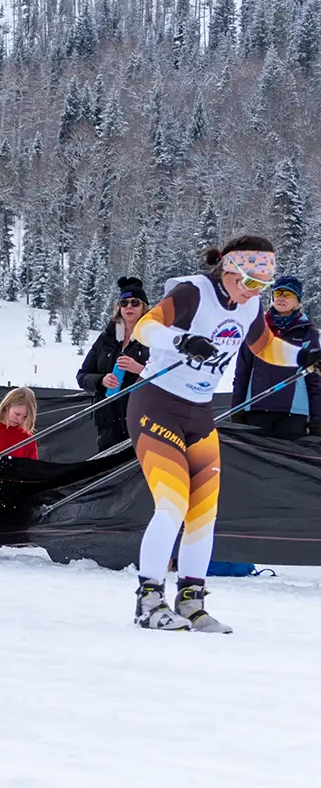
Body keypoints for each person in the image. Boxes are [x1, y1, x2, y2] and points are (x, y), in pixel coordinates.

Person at [125, 236, 318, 632]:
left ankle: (191, 601)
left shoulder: (249, 305)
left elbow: (265, 347)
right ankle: (148, 601)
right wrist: (182, 340)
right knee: (172, 504)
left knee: (204, 512)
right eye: (248, 282)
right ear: (228, 270)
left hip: (199, 413)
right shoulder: (193, 292)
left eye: (261, 285)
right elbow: (145, 329)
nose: (253, 292)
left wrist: (303, 356)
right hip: (156, 404)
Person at [231, 276, 320, 439]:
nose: (281, 297)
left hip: (293, 414)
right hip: (257, 409)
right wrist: (237, 409)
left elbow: (315, 380)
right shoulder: (257, 328)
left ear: (298, 300)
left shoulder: (308, 332)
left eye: (288, 294)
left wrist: (317, 419)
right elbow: (242, 372)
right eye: (278, 293)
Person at [75, 278, 150, 451]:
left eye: (135, 302)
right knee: (107, 473)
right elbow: (82, 376)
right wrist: (101, 381)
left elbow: (168, 379)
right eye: (124, 303)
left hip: (143, 421)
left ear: (144, 307)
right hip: (107, 422)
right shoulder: (106, 339)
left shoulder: (154, 338)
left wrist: (140, 369)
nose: (129, 307)